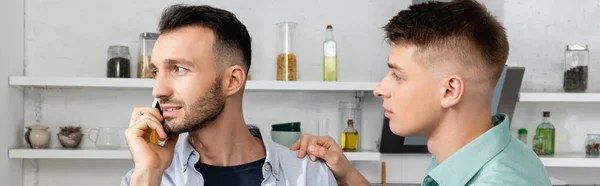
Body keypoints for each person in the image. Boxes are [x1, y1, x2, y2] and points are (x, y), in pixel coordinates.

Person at [292, 0, 552, 185]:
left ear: (450, 90)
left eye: (398, 76)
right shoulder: (469, 157)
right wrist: (347, 174)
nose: (380, 89)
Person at [120, 4, 336, 186]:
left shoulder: (309, 175)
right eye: (157, 72)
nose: (158, 91)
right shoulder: (147, 176)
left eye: (179, 69)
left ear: (232, 81)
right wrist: (149, 173)